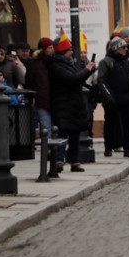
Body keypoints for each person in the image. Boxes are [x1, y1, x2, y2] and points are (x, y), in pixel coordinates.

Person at [47, 34, 98, 172]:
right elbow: (72, 79)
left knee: (75, 134)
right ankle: (59, 160)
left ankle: (74, 161)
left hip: (73, 105)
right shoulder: (56, 66)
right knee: (63, 134)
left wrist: (88, 71)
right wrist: (87, 69)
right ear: (63, 52)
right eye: (69, 50)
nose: (71, 52)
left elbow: (77, 79)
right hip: (63, 104)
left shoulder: (68, 63)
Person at [98, 37, 129, 159]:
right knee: (110, 124)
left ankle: (128, 148)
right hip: (112, 99)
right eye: (123, 47)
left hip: (127, 98)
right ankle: (108, 146)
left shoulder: (128, 61)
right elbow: (101, 81)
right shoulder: (106, 62)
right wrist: (109, 96)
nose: (125, 49)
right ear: (116, 48)